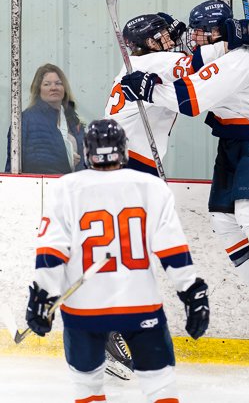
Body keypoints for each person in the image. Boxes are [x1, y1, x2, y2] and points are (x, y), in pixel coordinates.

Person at [119, 0, 249, 329]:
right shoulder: (227, 49)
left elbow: (192, 100)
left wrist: (150, 91)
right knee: (222, 219)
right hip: (233, 140)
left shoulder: (245, 58)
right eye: (196, 31)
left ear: (220, 31)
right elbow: (193, 63)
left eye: (204, 31)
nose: (196, 38)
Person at [24, 118, 210, 403]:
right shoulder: (152, 187)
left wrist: (42, 296)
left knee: (87, 387)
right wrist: (191, 292)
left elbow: (51, 253)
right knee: (160, 386)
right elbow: (173, 250)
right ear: (123, 150)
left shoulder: (66, 188)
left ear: (88, 153)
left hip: (83, 310)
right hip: (140, 303)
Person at [104, 12, 249, 175]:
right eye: (164, 36)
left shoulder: (138, 63)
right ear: (151, 43)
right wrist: (234, 38)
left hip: (118, 150)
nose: (171, 41)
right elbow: (197, 62)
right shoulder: (155, 61)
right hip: (133, 156)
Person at [5, 63, 85, 174]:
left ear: (64, 88)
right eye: (47, 84)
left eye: (58, 83)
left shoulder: (74, 122)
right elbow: (16, 164)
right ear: (38, 90)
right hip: (40, 188)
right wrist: (67, 160)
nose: (53, 88)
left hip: (72, 187)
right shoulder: (24, 120)